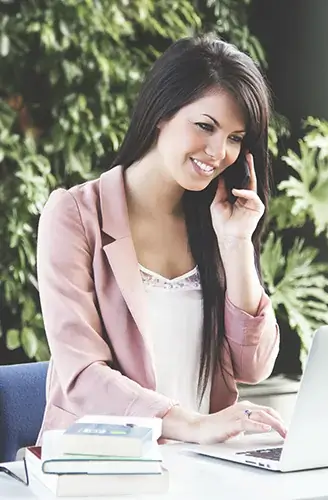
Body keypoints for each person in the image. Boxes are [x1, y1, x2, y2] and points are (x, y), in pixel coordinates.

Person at [36, 34, 287, 446]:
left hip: (203, 468)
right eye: (205, 126)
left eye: (235, 138)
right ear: (161, 113)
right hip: (103, 464)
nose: (218, 151)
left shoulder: (217, 222)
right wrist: (189, 423)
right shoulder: (75, 215)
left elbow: (254, 366)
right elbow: (81, 375)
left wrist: (237, 244)